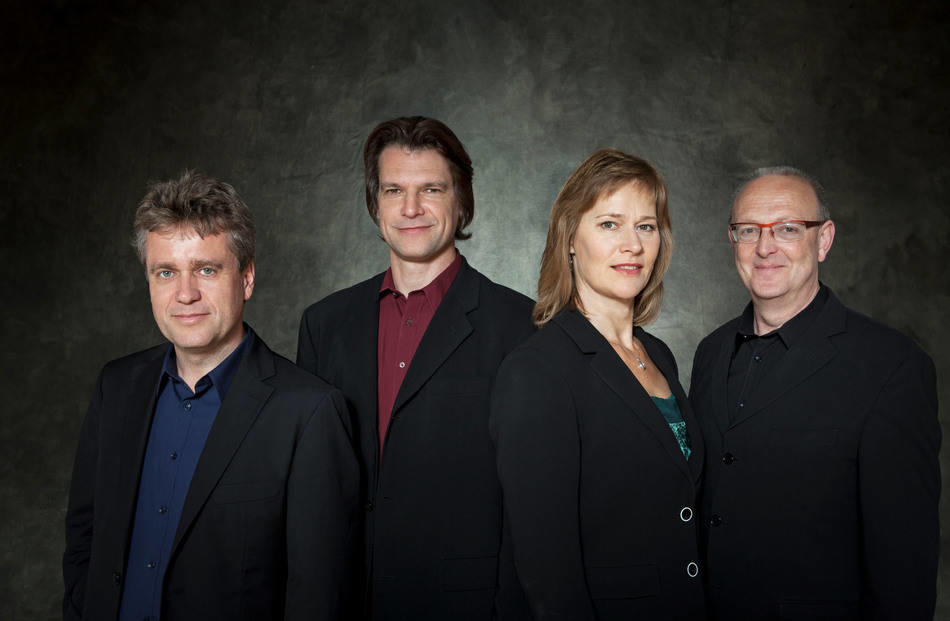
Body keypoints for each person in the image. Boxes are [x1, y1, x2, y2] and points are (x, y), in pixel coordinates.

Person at [62, 171, 360, 621]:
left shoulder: (309, 413)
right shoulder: (117, 388)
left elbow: (318, 595)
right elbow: (85, 538)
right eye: (166, 272)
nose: (185, 293)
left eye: (206, 269)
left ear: (246, 279)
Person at [296, 116, 535, 620]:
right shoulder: (324, 325)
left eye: (431, 188)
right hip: (345, 600)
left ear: (461, 200)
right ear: (374, 202)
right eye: (393, 190)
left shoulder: (521, 327)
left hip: (463, 603)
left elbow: (531, 506)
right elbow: (312, 492)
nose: (410, 209)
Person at [689, 167, 940, 620]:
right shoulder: (710, 352)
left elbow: (905, 561)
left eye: (787, 229)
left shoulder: (892, 366)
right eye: (749, 231)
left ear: (823, 240)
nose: (765, 248)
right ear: (733, 241)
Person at [489, 148, 705, 620]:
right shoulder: (537, 371)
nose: (632, 245)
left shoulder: (659, 356)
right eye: (609, 224)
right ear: (570, 238)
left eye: (645, 226)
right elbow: (547, 570)